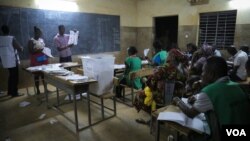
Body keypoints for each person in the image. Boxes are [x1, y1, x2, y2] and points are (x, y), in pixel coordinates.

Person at [173, 56, 250, 141]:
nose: (202, 74)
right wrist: (197, 97)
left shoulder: (209, 91)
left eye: (203, 71)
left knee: (186, 136)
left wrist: (177, 100)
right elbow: (223, 100)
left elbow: (190, 113)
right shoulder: (237, 86)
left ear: (211, 74)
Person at [0, 25, 23, 97]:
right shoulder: (11, 38)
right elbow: (19, 48)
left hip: (4, 61)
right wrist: (22, 48)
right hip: (12, 60)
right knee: (15, 77)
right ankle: (14, 93)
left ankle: (10, 91)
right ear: (9, 30)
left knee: (11, 76)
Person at [28, 26, 48, 94]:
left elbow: (43, 48)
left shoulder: (41, 40)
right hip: (36, 59)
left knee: (44, 74)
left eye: (41, 33)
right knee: (37, 75)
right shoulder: (31, 41)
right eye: (39, 32)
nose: (40, 34)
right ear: (35, 33)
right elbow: (31, 51)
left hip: (43, 58)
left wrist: (46, 52)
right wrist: (38, 50)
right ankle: (38, 90)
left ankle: (46, 89)